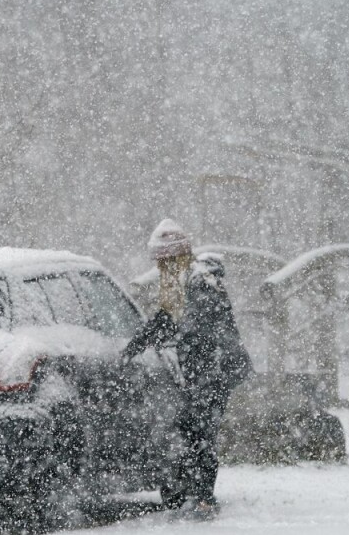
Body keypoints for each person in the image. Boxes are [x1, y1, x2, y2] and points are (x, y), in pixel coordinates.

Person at [122, 218, 252, 513]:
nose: (159, 267)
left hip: (216, 370)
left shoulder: (200, 283)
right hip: (205, 370)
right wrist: (136, 345)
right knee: (192, 430)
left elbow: (200, 329)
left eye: (163, 260)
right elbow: (166, 318)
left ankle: (201, 497)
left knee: (198, 431)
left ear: (176, 256)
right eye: (158, 261)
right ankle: (186, 493)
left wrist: (198, 372)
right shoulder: (181, 281)